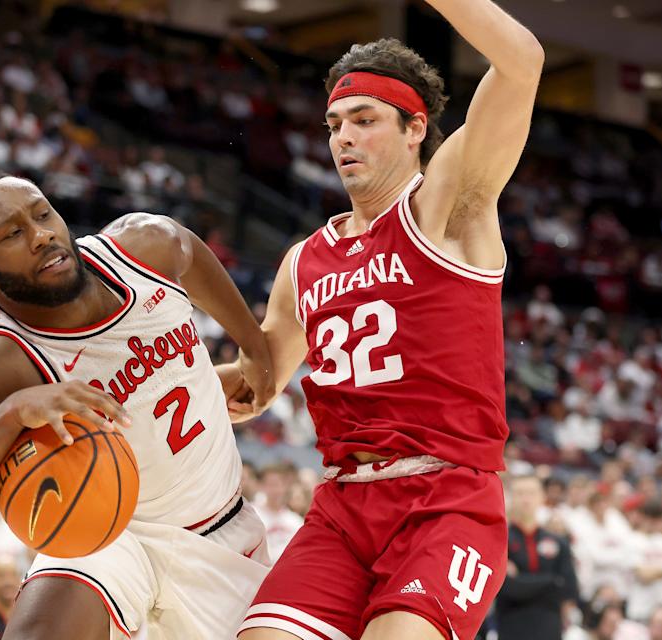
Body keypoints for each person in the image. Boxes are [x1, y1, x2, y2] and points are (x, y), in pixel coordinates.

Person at [0, 171, 274, 639]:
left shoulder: (144, 247)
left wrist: (252, 346)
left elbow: (190, 251)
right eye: (13, 234)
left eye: (42, 214)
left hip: (222, 531)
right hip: (110, 534)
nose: (42, 236)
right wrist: (13, 412)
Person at [229, 1, 544, 638]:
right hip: (342, 506)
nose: (343, 137)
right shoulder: (303, 261)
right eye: (334, 123)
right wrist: (130, 383)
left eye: (365, 120)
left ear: (414, 129)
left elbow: (522, 64)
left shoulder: (449, 209)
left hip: (446, 500)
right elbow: (255, 385)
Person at [496, 475, 578, 640]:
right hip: (511, 624)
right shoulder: (499, 540)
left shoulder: (558, 542)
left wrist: (520, 581)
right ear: (511, 497)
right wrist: (550, 582)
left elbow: (569, 589)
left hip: (549, 625)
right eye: (520, 493)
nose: (526, 499)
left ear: (542, 497)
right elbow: (504, 587)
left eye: (531, 493)